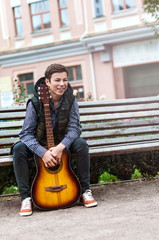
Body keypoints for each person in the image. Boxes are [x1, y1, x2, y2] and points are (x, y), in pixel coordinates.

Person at [12, 63, 97, 216]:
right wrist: (43, 153)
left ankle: (85, 191)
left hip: (61, 144)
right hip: (38, 144)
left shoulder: (71, 101)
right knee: (18, 149)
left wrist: (60, 147)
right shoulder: (35, 103)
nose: (62, 84)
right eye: (57, 80)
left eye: (65, 80)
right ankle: (26, 198)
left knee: (81, 145)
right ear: (47, 82)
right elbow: (25, 134)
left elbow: (75, 129)